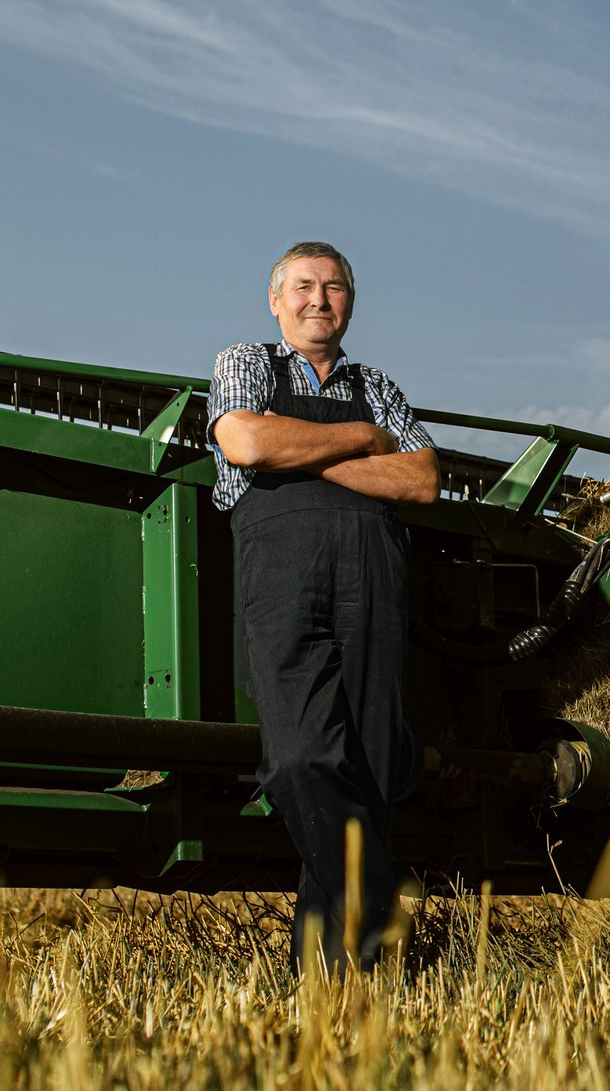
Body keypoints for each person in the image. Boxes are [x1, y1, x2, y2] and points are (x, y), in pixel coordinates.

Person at [207, 241, 440, 972]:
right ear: (275, 300)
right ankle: (377, 910)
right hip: (284, 576)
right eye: (303, 286)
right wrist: (359, 443)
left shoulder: (378, 385)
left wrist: (303, 449)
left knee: (371, 769)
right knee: (303, 758)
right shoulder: (245, 363)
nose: (319, 299)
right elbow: (244, 438)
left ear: (350, 302)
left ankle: (335, 983)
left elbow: (423, 479)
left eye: (334, 287)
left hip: (374, 581)